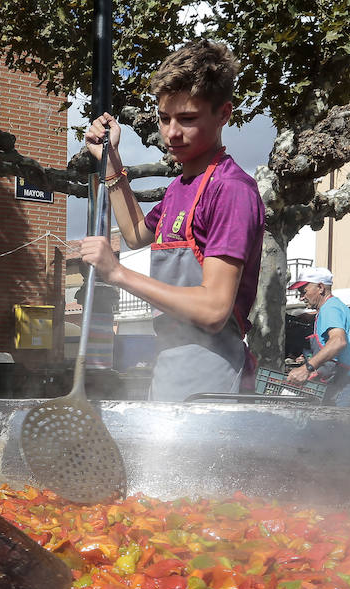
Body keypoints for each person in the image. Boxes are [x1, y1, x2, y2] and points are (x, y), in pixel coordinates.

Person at [78, 40, 265, 401]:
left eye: (188, 119)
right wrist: (111, 159)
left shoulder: (230, 190)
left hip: (212, 379)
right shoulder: (180, 187)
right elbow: (134, 233)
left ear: (223, 114)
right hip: (169, 367)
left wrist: (117, 274)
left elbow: (213, 310)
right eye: (165, 118)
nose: (171, 133)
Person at [284, 267, 350, 407]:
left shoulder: (330, 308)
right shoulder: (334, 306)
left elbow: (338, 341)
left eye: (304, 291)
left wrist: (306, 368)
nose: (301, 297)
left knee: (338, 428)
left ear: (320, 287)